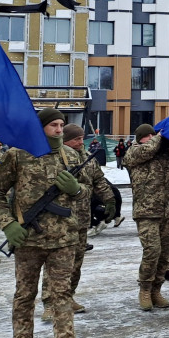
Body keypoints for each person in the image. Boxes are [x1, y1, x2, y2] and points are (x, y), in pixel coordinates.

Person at [0, 108, 87, 338]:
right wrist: (8, 224)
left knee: (61, 295)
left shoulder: (71, 155)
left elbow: (86, 191)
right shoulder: (17, 155)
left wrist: (75, 190)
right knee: (25, 296)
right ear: (40, 127)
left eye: (62, 125)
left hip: (63, 238)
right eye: (53, 125)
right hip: (28, 240)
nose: (59, 130)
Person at [41, 124, 114, 318]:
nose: (81, 142)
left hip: (81, 219)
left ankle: (68, 297)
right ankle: (49, 303)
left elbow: (99, 180)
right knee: (56, 264)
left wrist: (109, 200)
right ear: (65, 141)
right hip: (59, 219)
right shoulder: (53, 157)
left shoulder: (87, 157)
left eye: (82, 138)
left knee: (76, 262)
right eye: (76, 139)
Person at [123, 124, 169, 311]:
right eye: (148, 136)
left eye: (153, 135)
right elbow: (147, 150)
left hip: (168, 211)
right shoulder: (133, 153)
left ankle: (157, 289)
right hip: (147, 212)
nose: (152, 138)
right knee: (152, 251)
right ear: (140, 138)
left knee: (165, 254)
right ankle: (145, 289)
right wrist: (160, 136)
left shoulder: (164, 156)